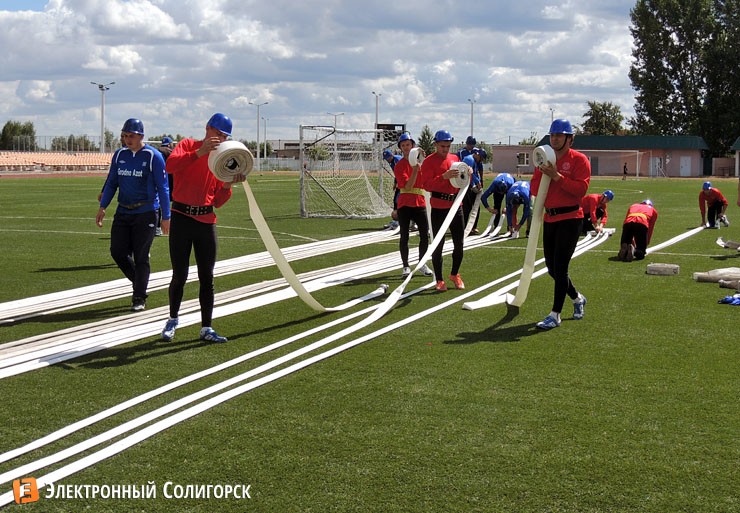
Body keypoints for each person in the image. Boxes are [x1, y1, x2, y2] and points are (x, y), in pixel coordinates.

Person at [160, 113, 246, 343]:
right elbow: (170, 166)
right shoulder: (188, 145)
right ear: (207, 128)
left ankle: (206, 327)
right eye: (218, 133)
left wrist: (227, 184)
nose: (220, 139)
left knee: (207, 277)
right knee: (179, 275)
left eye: (224, 136)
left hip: (206, 221)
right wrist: (200, 152)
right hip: (181, 218)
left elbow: (217, 201)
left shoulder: (219, 159)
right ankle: (172, 319)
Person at [95, 118, 170, 312]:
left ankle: (139, 297)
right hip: (123, 211)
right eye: (125, 136)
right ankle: (140, 282)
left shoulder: (153, 156)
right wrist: (103, 207)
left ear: (141, 136)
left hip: (146, 212)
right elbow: (112, 182)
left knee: (141, 256)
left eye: (132, 136)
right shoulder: (120, 155)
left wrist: (166, 217)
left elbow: (163, 188)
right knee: (117, 252)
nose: (128, 139)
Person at [530, 119, 590, 330]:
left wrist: (556, 176)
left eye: (559, 135)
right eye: (552, 135)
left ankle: (555, 314)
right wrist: (543, 173)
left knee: (561, 267)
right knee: (552, 269)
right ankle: (577, 298)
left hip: (571, 218)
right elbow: (534, 189)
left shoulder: (579, 160)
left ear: (569, 139)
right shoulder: (544, 158)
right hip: (550, 218)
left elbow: (580, 191)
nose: (555, 139)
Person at [420, 129, 466, 291]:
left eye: (448, 146)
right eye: (442, 146)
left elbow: (463, 179)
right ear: (436, 145)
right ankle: (439, 279)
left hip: (456, 206)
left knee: (459, 243)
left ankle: (455, 274)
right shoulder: (429, 162)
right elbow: (426, 185)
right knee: (438, 244)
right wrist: (444, 177)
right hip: (439, 206)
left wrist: (468, 173)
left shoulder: (455, 158)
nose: (445, 149)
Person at [393, 132, 433, 278]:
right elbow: (408, 186)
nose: (406, 147)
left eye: (408, 145)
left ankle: (422, 263)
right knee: (404, 236)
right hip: (405, 203)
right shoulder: (399, 166)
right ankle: (405, 266)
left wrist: (423, 160)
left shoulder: (422, 163)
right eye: (403, 145)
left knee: (424, 234)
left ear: (413, 146)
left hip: (420, 202)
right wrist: (415, 170)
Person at [383, 149, 402, 229]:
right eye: (385, 158)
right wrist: (395, 183)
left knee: (399, 202)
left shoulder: (397, 160)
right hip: (400, 183)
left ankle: (397, 222)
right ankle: (396, 221)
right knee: (396, 201)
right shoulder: (392, 162)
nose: (387, 160)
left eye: (388, 158)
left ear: (391, 155)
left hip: (405, 184)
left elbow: (402, 172)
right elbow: (397, 174)